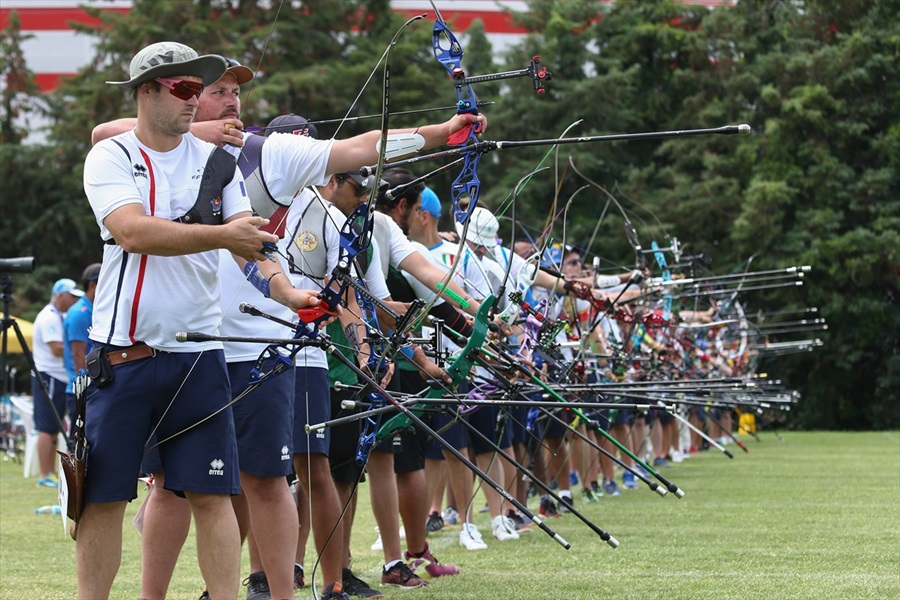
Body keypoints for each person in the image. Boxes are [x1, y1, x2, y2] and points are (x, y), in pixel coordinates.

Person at [92, 50, 486, 599]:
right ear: (165, 93)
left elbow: (355, 148)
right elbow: (108, 135)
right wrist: (204, 132)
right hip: (154, 346)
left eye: (236, 92)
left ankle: (279, 589)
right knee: (161, 490)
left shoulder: (259, 154)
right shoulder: (143, 149)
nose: (230, 100)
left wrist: (441, 133)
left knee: (256, 483)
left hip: (248, 345)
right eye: (212, 90)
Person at [80, 41, 326, 600]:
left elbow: (251, 243)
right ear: (147, 92)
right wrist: (225, 236)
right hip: (124, 355)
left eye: (202, 88)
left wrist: (289, 293)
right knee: (103, 499)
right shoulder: (111, 155)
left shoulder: (219, 163)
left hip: (198, 358)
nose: (198, 101)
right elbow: (133, 232)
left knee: (215, 496)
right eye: (186, 89)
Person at [32, 277, 83, 486]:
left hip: (57, 376)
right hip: (49, 376)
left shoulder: (59, 316)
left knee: (54, 426)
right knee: (47, 426)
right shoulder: (49, 317)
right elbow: (56, 348)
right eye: (71, 296)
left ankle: (51, 471)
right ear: (60, 295)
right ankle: (45, 474)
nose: (73, 301)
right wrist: (79, 348)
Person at [62, 263, 101, 444]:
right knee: (79, 445)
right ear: (93, 285)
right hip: (82, 390)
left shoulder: (94, 309)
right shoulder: (80, 313)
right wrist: (86, 389)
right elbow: (78, 355)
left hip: (92, 387)